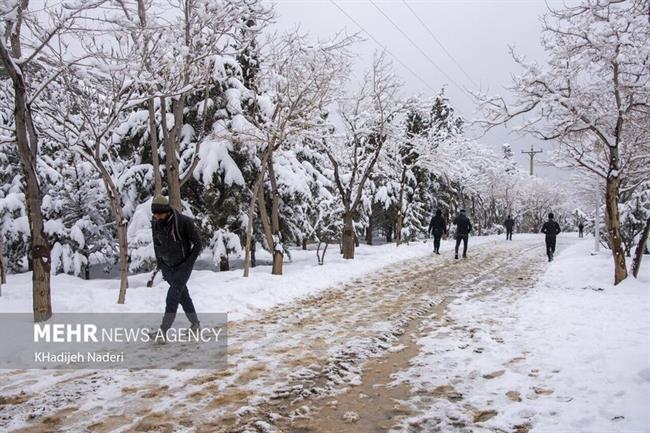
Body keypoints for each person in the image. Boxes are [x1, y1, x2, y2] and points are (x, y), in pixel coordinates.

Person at [151, 194, 202, 343]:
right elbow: (156, 244)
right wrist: (161, 264)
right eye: (155, 214)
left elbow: (198, 243)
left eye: (160, 213)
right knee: (183, 296)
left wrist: (188, 264)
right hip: (168, 267)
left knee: (172, 296)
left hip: (183, 266)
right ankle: (195, 324)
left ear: (167, 210)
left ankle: (163, 332)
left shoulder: (184, 222)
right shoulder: (155, 223)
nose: (157, 217)